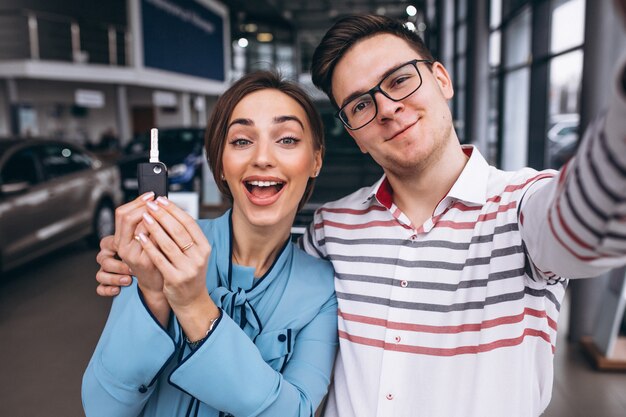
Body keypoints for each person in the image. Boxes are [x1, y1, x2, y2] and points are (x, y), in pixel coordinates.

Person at [95, 11, 626, 417]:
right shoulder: (332, 233)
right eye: (361, 103)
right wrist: (141, 282)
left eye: (400, 81)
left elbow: (586, 224)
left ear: (442, 79)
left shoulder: (522, 209)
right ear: (354, 131)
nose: (388, 108)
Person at [82, 71, 337, 417]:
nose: (262, 157)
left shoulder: (322, 288)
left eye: (287, 139)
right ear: (219, 163)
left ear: (316, 160)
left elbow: (294, 411)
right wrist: (154, 294)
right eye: (242, 141)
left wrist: (192, 306)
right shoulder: (160, 247)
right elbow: (102, 407)